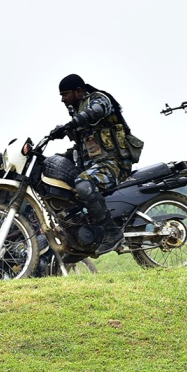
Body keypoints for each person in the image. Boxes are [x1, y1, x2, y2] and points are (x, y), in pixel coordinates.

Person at [49, 74, 141, 255]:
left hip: (115, 163)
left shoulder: (99, 99)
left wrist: (70, 125)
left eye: (65, 94)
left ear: (78, 91)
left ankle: (112, 232)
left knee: (83, 184)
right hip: (97, 166)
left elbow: (96, 111)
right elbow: (83, 147)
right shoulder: (78, 111)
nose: (62, 99)